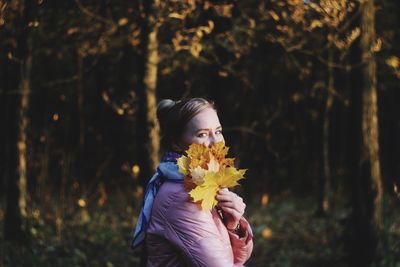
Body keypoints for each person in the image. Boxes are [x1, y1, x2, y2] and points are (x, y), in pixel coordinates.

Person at [132, 98, 253, 267]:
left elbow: (237, 258)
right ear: (176, 143)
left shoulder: (202, 182)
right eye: (202, 134)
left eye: (218, 131)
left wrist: (233, 225)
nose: (216, 142)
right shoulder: (182, 197)